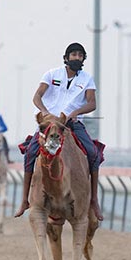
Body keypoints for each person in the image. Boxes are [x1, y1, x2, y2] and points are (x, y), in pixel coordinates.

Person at [15, 42, 104, 220]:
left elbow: (92, 103)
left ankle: (93, 199)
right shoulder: (51, 74)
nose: (77, 58)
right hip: (48, 124)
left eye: (80, 55)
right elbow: (37, 96)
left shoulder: (87, 79)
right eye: (74, 55)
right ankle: (25, 199)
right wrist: (45, 113)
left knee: (93, 154)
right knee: (31, 152)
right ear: (66, 57)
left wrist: (76, 113)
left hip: (71, 124)